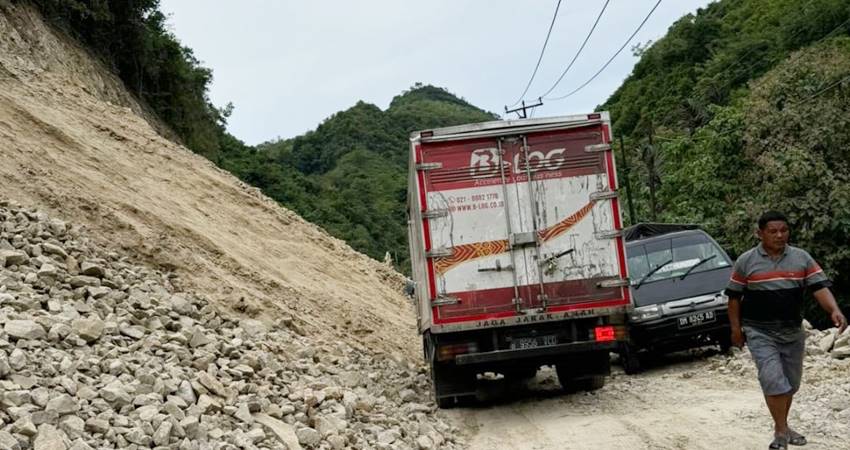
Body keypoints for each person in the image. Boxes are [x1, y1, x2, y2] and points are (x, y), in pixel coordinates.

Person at [725, 211, 847, 449]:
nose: (780, 235)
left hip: (792, 330)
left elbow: (818, 286)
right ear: (759, 233)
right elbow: (733, 298)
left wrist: (834, 310)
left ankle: (784, 426)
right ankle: (780, 431)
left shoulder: (801, 258)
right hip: (759, 331)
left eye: (784, 230)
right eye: (773, 231)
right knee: (773, 379)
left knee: (790, 384)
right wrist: (735, 330)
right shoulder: (746, 261)